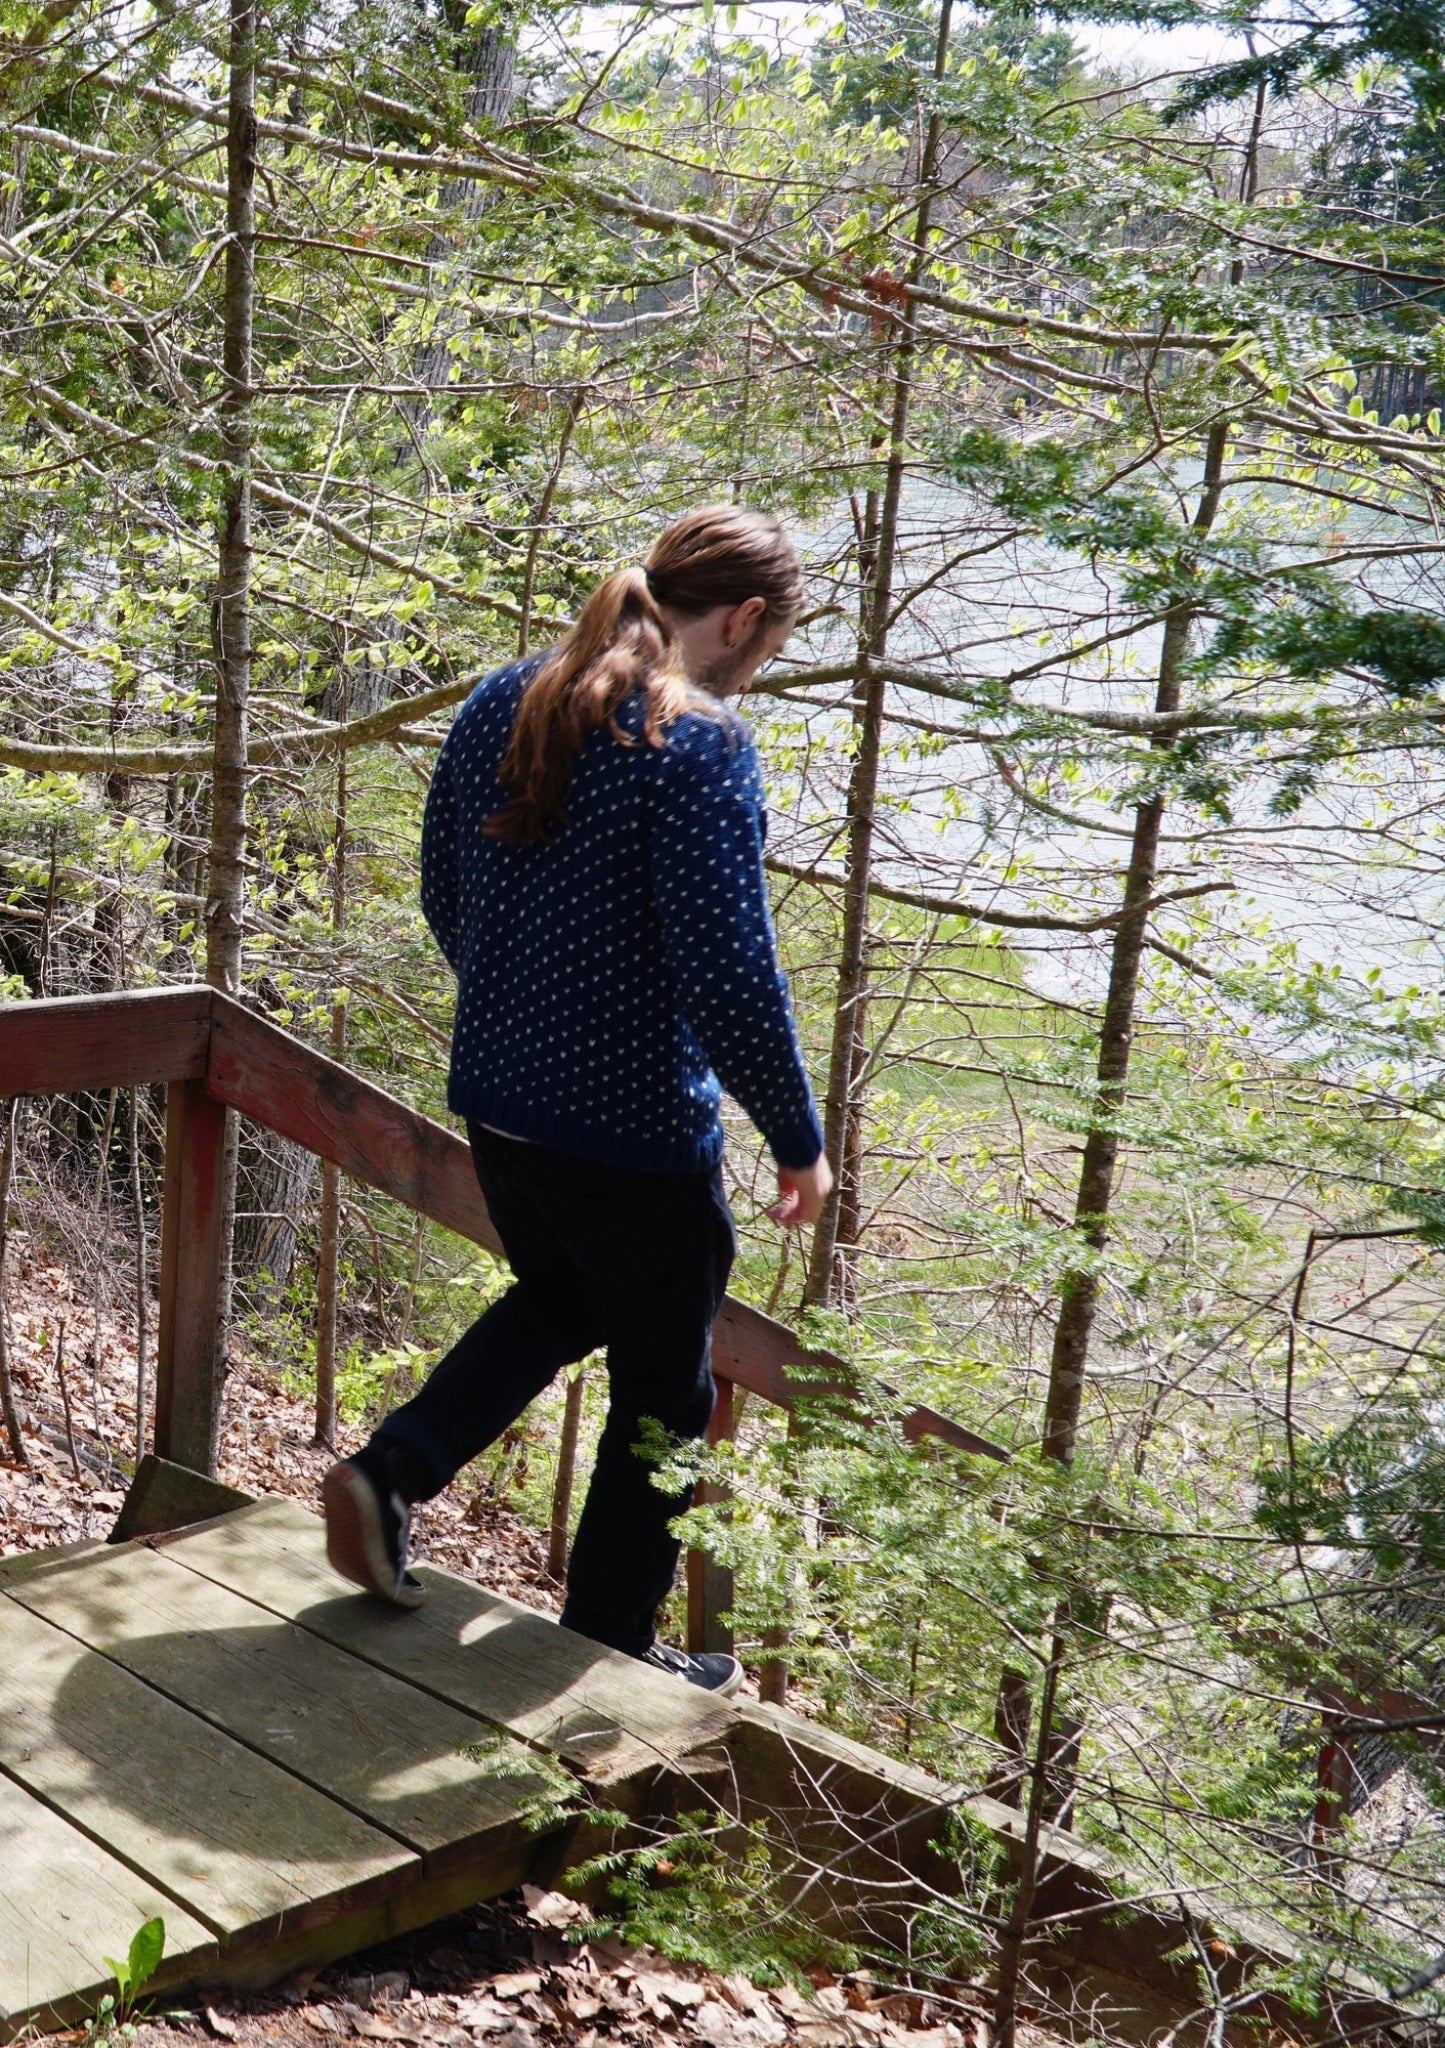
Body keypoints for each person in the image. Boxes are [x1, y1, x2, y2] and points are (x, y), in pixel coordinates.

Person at [321, 505, 832, 1694]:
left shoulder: (510, 695)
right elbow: (728, 967)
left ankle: (390, 1472)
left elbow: (446, 884)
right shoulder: (698, 743)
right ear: (745, 619)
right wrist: (795, 1135)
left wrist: (521, 1014)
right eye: (767, 645)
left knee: (560, 1293)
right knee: (667, 1388)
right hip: (634, 1135)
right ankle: (607, 1640)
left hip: (500, 1103)